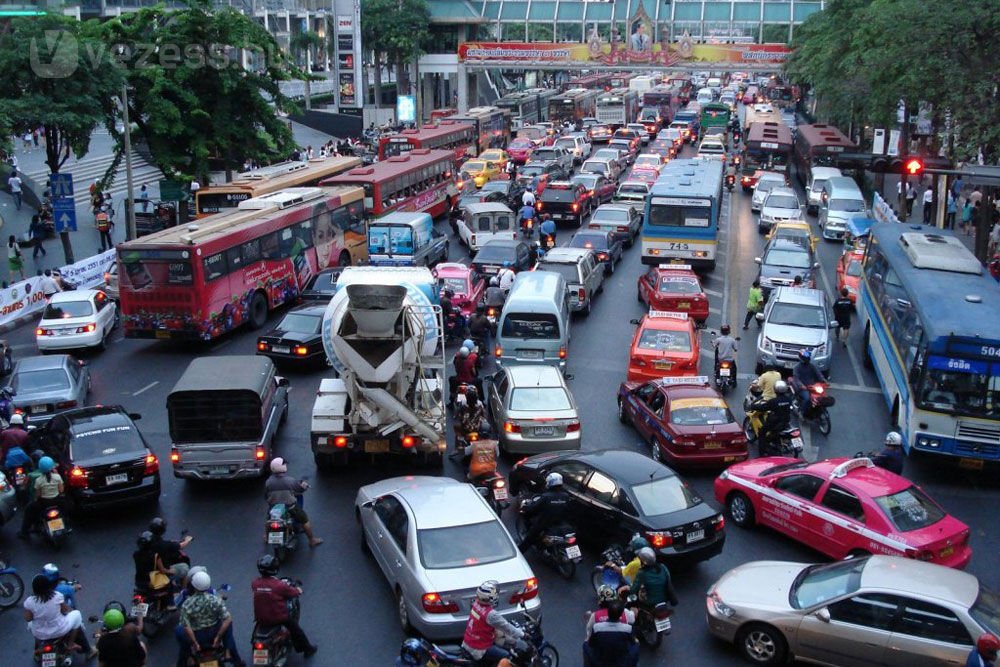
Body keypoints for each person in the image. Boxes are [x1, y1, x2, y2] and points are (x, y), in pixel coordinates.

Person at [251, 555, 317, 658]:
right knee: (296, 629)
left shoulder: (255, 583)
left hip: (260, 618)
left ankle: (254, 648)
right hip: (278, 617)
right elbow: (293, 592)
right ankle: (307, 649)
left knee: (255, 634)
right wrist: (299, 590)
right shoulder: (279, 585)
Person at [174, 570, 242, 667]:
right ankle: (231, 654)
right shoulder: (215, 600)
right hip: (213, 634)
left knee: (178, 630)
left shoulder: (187, 604)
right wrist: (218, 637)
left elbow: (186, 627)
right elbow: (227, 620)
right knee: (228, 622)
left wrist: (195, 643)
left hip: (197, 636)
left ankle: (186, 658)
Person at [24, 574, 97, 659]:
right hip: (59, 630)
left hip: (40, 634)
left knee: (30, 624)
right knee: (77, 615)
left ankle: (38, 649)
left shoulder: (29, 602)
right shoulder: (56, 596)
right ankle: (71, 645)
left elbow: (28, 618)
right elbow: (65, 610)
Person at [461, 580, 526, 662]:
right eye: (494, 594)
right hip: (479, 649)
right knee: (509, 658)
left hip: (468, 642)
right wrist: (522, 634)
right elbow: (507, 627)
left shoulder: (476, 604)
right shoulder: (491, 614)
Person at [265, 458, 323, 546]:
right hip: (290, 507)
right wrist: (304, 486)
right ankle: (312, 540)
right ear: (282, 467)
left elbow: (266, 495)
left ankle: (266, 536)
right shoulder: (289, 480)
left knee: (269, 518)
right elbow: (299, 489)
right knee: (304, 519)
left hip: (274, 507)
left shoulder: (268, 482)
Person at [518, 472, 571, 552]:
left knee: (528, 540)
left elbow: (534, 508)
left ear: (550, 483)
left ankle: (519, 554)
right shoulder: (566, 496)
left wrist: (526, 508)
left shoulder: (546, 496)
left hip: (544, 524)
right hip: (560, 523)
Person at [18, 455, 64, 539]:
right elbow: (61, 490)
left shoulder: (38, 480)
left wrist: (35, 500)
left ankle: (24, 532)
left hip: (44, 504)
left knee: (28, 509)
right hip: (57, 502)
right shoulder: (57, 477)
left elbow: (37, 495)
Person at [583, 600, 638, 667]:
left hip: (601, 660)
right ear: (620, 615)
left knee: (585, 645)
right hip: (621, 661)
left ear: (608, 613)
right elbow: (632, 642)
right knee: (636, 645)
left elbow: (591, 643)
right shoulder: (628, 629)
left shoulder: (597, 627)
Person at [752, 380, 795, 450]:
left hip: (775, 422)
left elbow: (763, 408)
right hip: (786, 421)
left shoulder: (773, 401)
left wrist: (753, 406)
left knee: (762, 432)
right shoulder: (789, 399)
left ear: (775, 390)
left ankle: (762, 452)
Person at [466, 416, 498, 481]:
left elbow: (465, 452)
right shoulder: (495, 444)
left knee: (468, 478)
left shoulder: (474, 445)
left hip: (476, 472)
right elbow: (497, 455)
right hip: (491, 471)